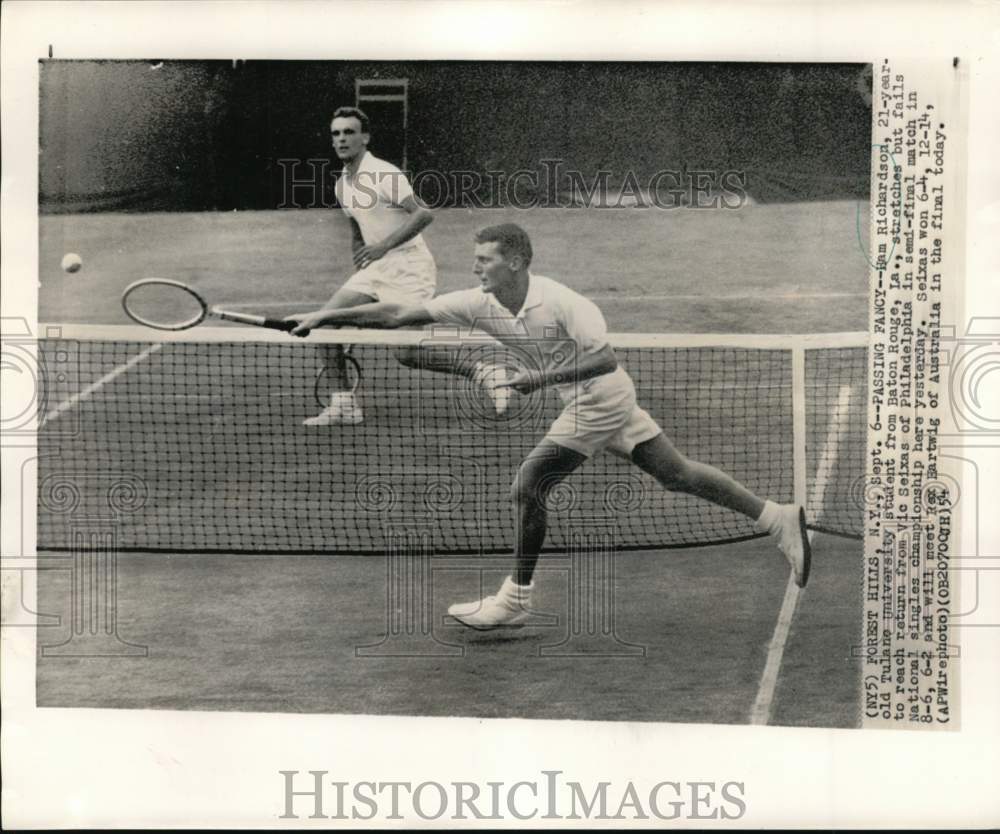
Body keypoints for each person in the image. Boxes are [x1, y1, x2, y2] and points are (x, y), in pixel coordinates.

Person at [291, 223, 811, 628]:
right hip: (590, 399)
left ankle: (515, 599)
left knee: (528, 486)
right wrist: (324, 317)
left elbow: (605, 358)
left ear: (515, 261)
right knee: (675, 474)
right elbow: (401, 314)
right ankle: (775, 516)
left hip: (598, 398)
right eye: (475, 260)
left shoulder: (562, 301)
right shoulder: (478, 303)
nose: (476, 269)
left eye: (485, 260)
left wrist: (537, 379)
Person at [303, 106, 508, 425]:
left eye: (349, 132)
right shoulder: (342, 183)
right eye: (336, 133)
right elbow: (356, 225)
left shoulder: (384, 174)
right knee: (324, 326)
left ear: (364, 138)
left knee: (407, 352)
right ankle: (344, 405)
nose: (342, 139)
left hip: (410, 269)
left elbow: (423, 213)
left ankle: (485, 371)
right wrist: (360, 254)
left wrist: (383, 246)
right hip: (375, 270)